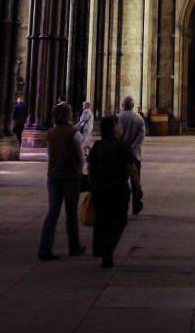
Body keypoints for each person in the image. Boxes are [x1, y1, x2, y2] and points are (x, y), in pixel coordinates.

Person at [88, 114, 143, 268]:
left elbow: (90, 167)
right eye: (119, 124)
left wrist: (92, 186)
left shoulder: (98, 145)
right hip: (118, 188)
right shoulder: (123, 146)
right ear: (114, 128)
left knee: (101, 218)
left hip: (100, 188)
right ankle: (108, 247)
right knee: (119, 220)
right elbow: (132, 168)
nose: (121, 126)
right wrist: (138, 187)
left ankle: (98, 247)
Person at [37, 102, 86, 261]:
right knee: (71, 213)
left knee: (53, 212)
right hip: (71, 177)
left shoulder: (51, 132)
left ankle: (44, 248)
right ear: (68, 115)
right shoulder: (74, 133)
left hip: (53, 176)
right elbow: (80, 156)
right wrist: (79, 167)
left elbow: (50, 153)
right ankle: (74, 247)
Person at [118, 96, 145, 214]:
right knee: (135, 181)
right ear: (133, 106)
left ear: (122, 105)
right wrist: (132, 148)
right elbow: (141, 136)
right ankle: (136, 204)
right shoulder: (138, 119)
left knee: (120, 182)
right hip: (134, 156)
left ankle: (120, 205)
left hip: (119, 156)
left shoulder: (117, 118)